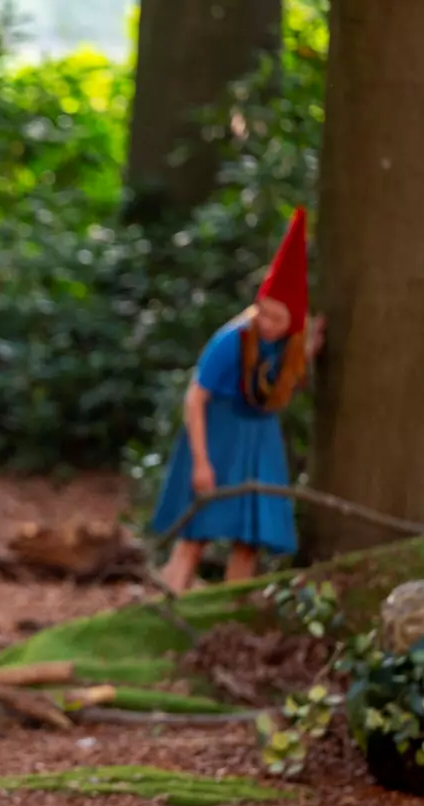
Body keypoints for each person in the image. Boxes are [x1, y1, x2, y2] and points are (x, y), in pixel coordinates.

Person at [151, 206, 326, 592]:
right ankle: (170, 600)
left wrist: (309, 351)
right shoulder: (233, 339)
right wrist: (201, 462)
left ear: (292, 323)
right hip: (217, 431)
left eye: (276, 319)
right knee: (196, 534)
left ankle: (230, 616)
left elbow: (278, 382)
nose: (265, 324)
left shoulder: (290, 347)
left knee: (248, 540)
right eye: (262, 313)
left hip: (259, 435)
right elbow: (195, 397)